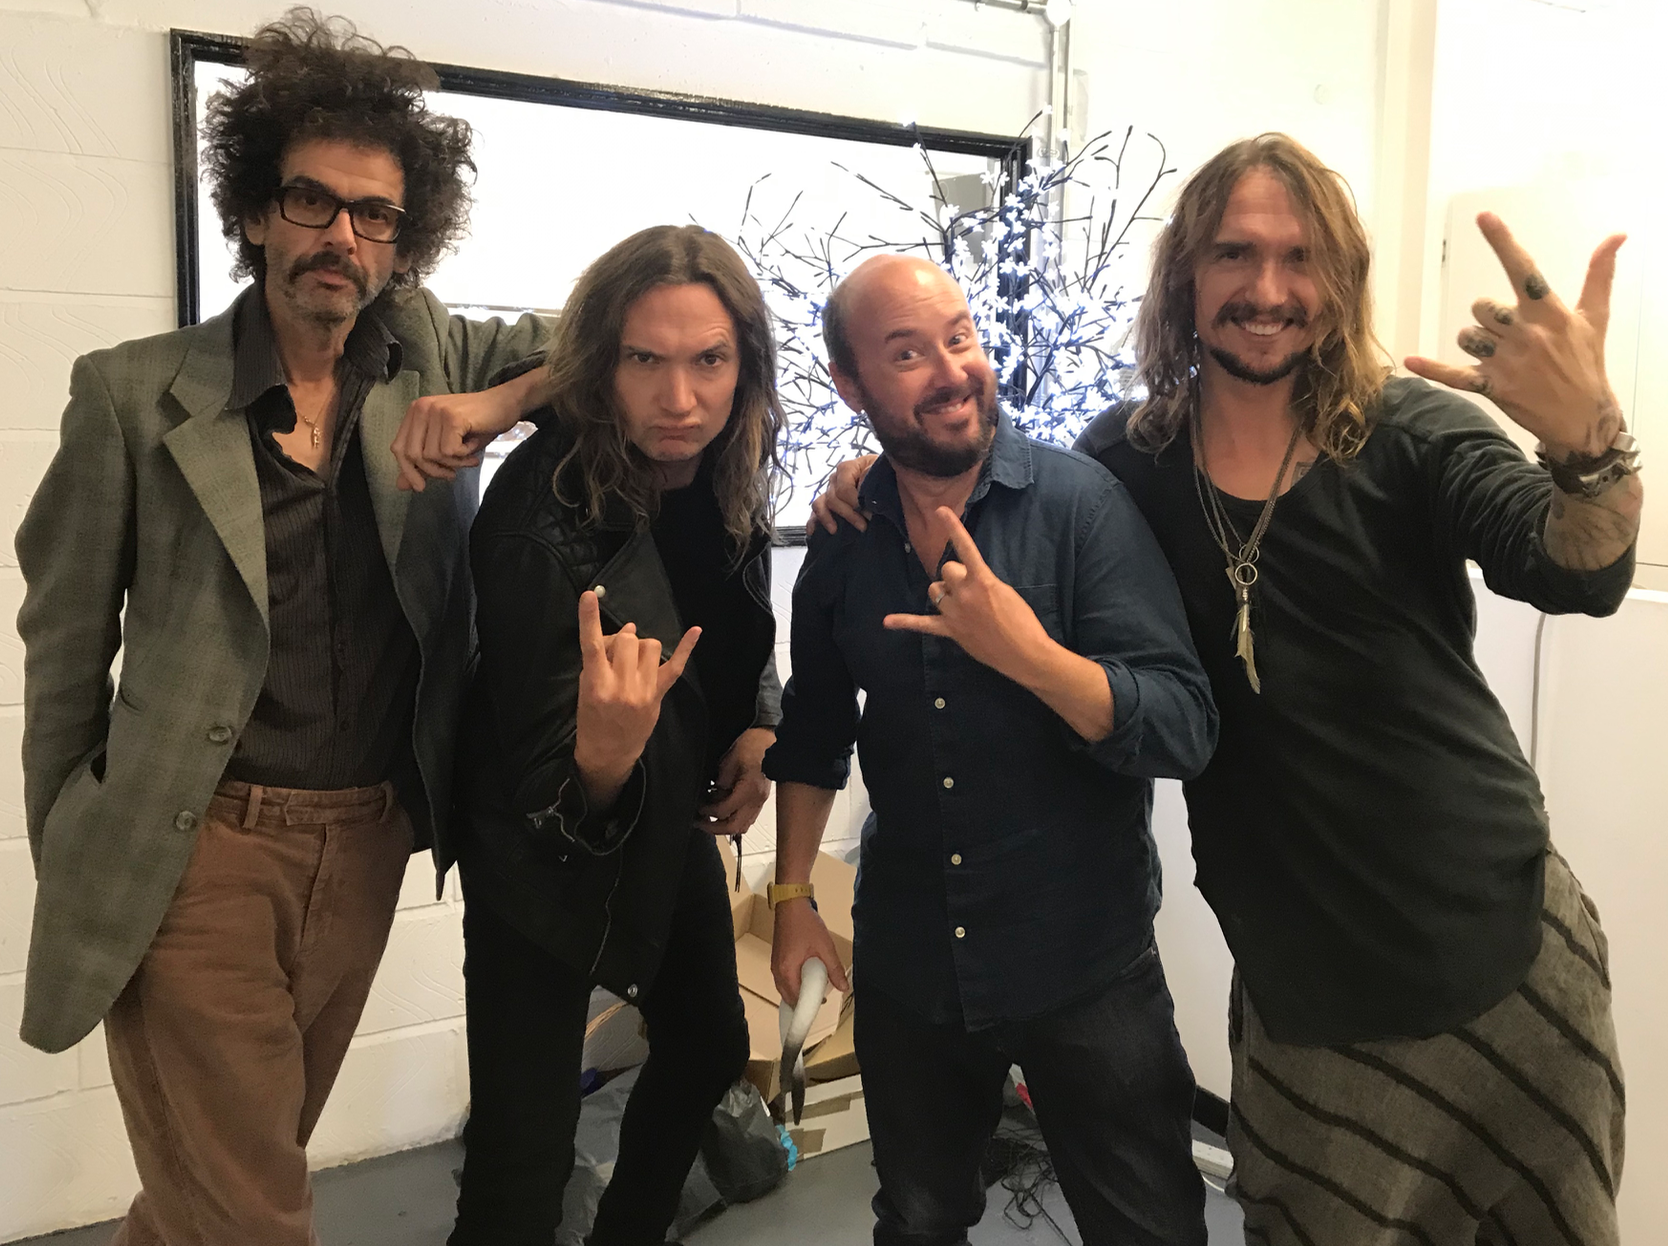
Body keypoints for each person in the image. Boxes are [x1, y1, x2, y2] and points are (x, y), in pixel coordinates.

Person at [816, 133, 1642, 1246]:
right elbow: (995, 477)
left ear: (1340, 279)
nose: (1268, 289)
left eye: (1301, 258)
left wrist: (1592, 447)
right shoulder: (1130, 459)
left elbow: (1578, 572)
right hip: (1300, 974)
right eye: (1235, 254)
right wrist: (873, 472)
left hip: (1498, 940)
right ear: (1187, 276)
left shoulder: (1414, 432)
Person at [13, 12, 559, 1244]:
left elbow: (632, 336)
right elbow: (62, 649)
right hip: (197, 849)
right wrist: (87, 844)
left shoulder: (432, 355)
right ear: (258, 209)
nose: (341, 237)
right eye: (312, 201)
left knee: (214, 1189)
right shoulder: (130, 393)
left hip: (368, 843)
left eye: (375, 214)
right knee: (256, 1213)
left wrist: (503, 401)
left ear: (405, 238)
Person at [769, 253, 1218, 1246]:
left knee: (1151, 1229)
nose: (951, 371)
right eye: (907, 354)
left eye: (960, 337)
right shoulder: (845, 534)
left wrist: (1030, 656)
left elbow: (1183, 725)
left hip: (1085, 960)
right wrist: (793, 896)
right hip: (912, 962)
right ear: (850, 385)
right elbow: (815, 727)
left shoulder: (1080, 508)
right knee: (919, 1219)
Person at [445, 224, 785, 1246]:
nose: (680, 399)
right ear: (601, 365)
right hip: (537, 853)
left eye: (709, 360)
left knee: (708, 1043)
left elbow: (731, 616)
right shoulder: (538, 512)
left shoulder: (730, 462)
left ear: (744, 363)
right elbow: (542, 777)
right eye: (645, 361)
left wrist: (758, 721)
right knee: (523, 1160)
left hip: (662, 821)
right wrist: (604, 758)